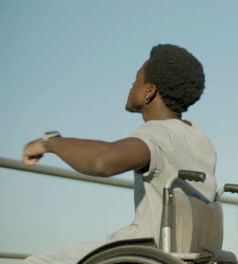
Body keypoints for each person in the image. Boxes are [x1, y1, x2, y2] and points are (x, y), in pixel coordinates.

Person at [22, 44, 217, 264]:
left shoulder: (158, 133)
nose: (131, 85)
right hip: (186, 254)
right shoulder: (199, 138)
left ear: (149, 91)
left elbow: (103, 161)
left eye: (136, 80)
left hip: (144, 252)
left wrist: (49, 143)